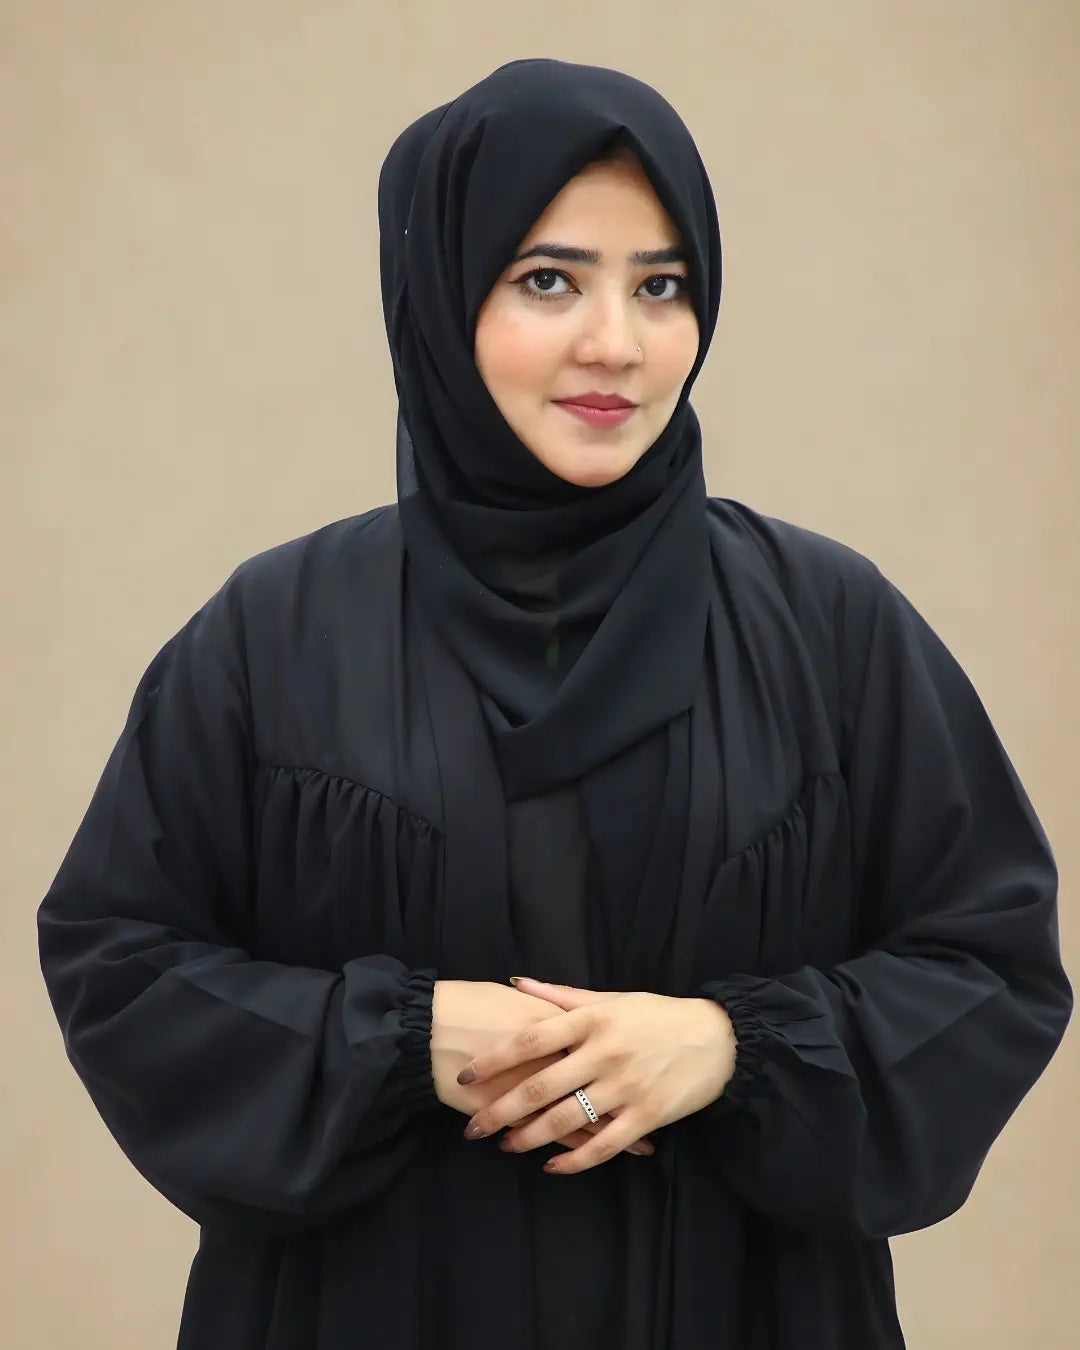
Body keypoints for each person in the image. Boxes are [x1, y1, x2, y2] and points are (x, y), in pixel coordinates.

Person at [37, 58, 1071, 1350]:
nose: (616, 344)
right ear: (439, 295)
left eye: (662, 285)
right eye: (548, 279)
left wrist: (730, 1046)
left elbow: (988, 961)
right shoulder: (276, 628)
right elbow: (120, 962)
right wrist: (402, 1035)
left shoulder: (830, 624)